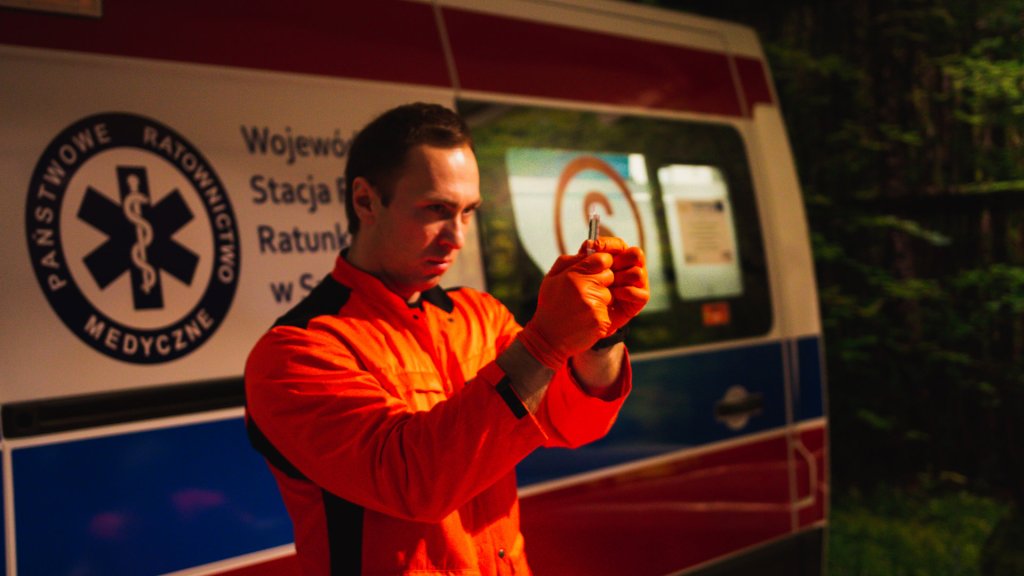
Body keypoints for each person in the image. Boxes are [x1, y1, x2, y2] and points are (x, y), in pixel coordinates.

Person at [244, 102, 649, 575]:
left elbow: (571, 422)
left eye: (468, 212)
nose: (456, 236)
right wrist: (546, 342)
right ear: (365, 201)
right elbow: (413, 482)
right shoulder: (297, 350)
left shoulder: (479, 314)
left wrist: (599, 338)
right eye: (436, 210)